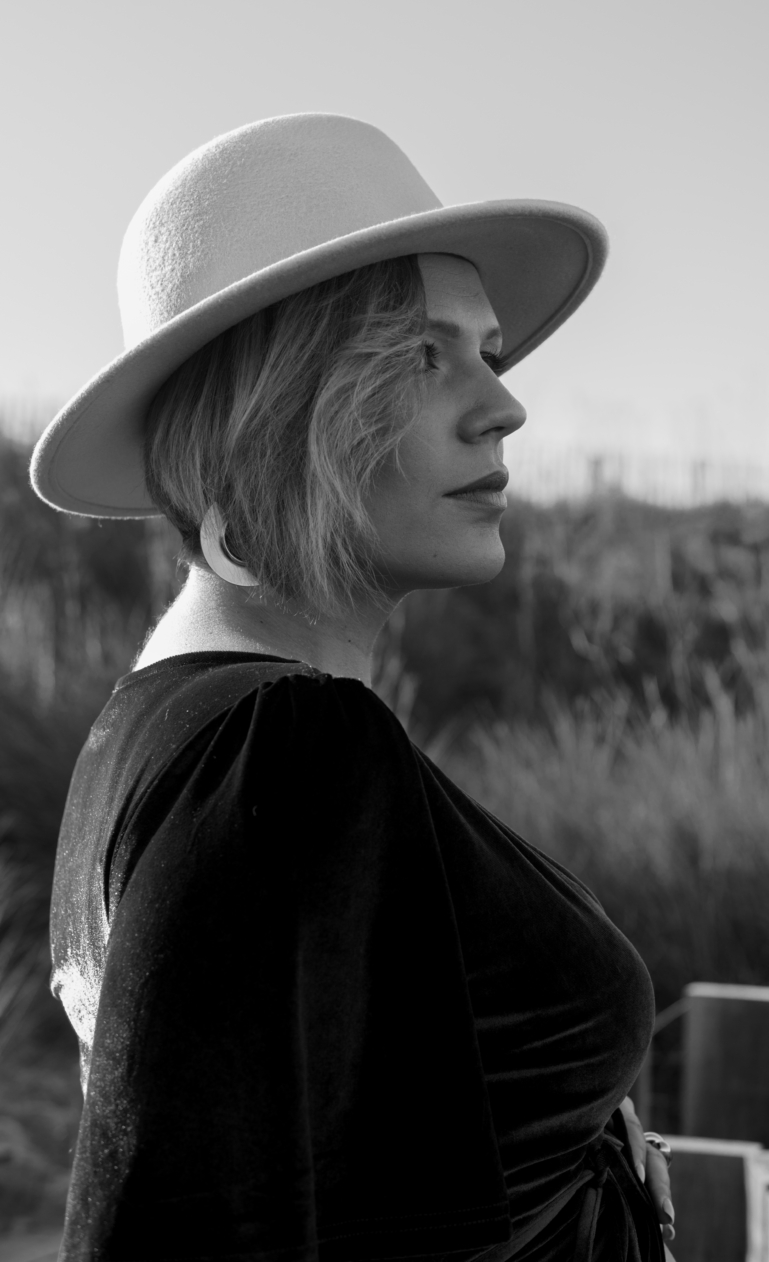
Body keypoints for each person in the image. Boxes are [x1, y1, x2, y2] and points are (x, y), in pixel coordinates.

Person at [31, 114, 675, 1262]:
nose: (503, 403)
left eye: (487, 349)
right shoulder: (276, 754)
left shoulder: (160, 729)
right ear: (278, 407)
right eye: (424, 356)